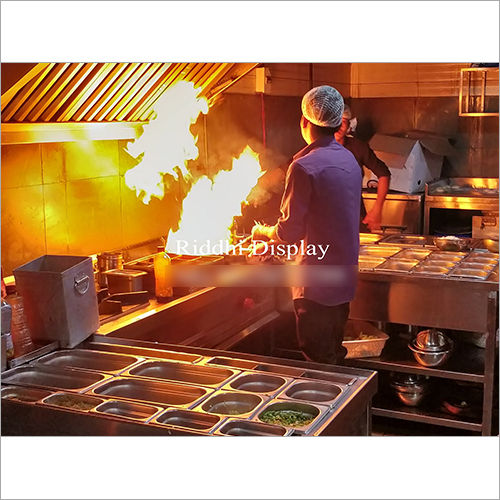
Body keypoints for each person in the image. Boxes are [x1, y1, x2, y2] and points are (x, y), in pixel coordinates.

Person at [251, 86, 361, 365]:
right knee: (334, 352)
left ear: (304, 122)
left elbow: (289, 233)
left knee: (318, 361)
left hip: (315, 286)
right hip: (343, 280)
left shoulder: (304, 166)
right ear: (338, 122)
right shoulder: (349, 160)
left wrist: (262, 232)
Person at [335, 104, 391, 232]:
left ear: (349, 126)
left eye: (343, 122)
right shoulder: (316, 148)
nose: (338, 126)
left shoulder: (358, 147)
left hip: (355, 218)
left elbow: (384, 174)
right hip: (324, 222)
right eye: (334, 121)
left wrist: (377, 209)